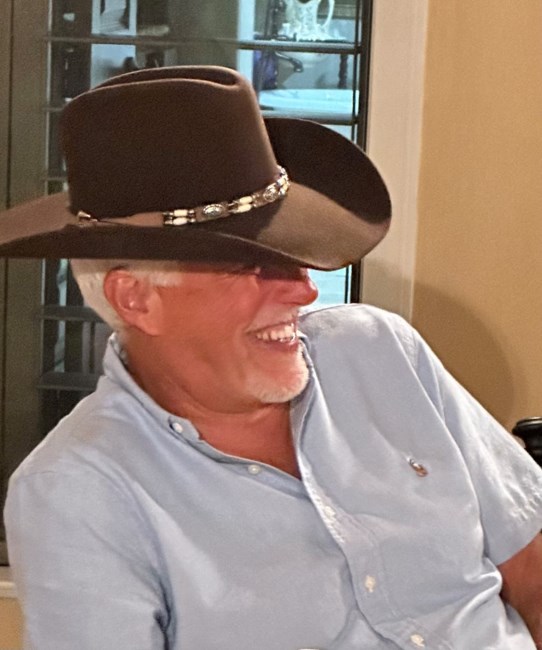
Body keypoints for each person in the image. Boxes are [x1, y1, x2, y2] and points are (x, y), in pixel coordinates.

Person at [1, 66, 541, 650]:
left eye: (295, 255)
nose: (305, 290)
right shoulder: (77, 492)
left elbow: (531, 567)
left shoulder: (381, 351)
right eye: (253, 266)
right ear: (137, 299)